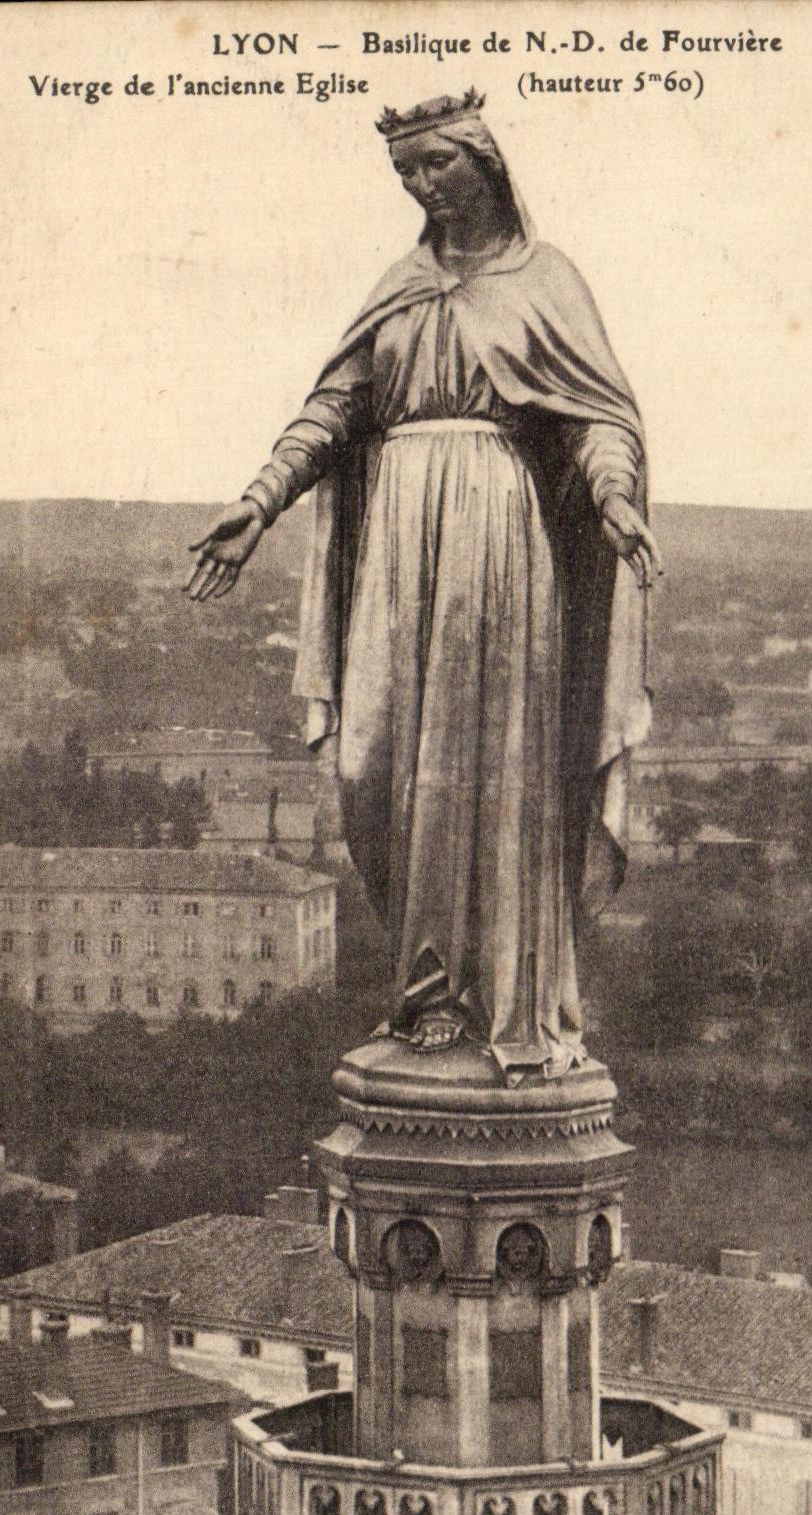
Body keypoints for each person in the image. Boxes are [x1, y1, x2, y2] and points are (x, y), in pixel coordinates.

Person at [186, 91, 661, 1079]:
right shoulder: (399, 286)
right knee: (381, 769)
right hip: (398, 558)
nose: (420, 186)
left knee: (501, 766)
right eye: (405, 174)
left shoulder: (549, 280)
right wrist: (260, 500)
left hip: (503, 551)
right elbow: (331, 409)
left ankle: (505, 1003)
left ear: (482, 164)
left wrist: (613, 498)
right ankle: (425, 995)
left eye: (433, 166)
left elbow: (598, 420)